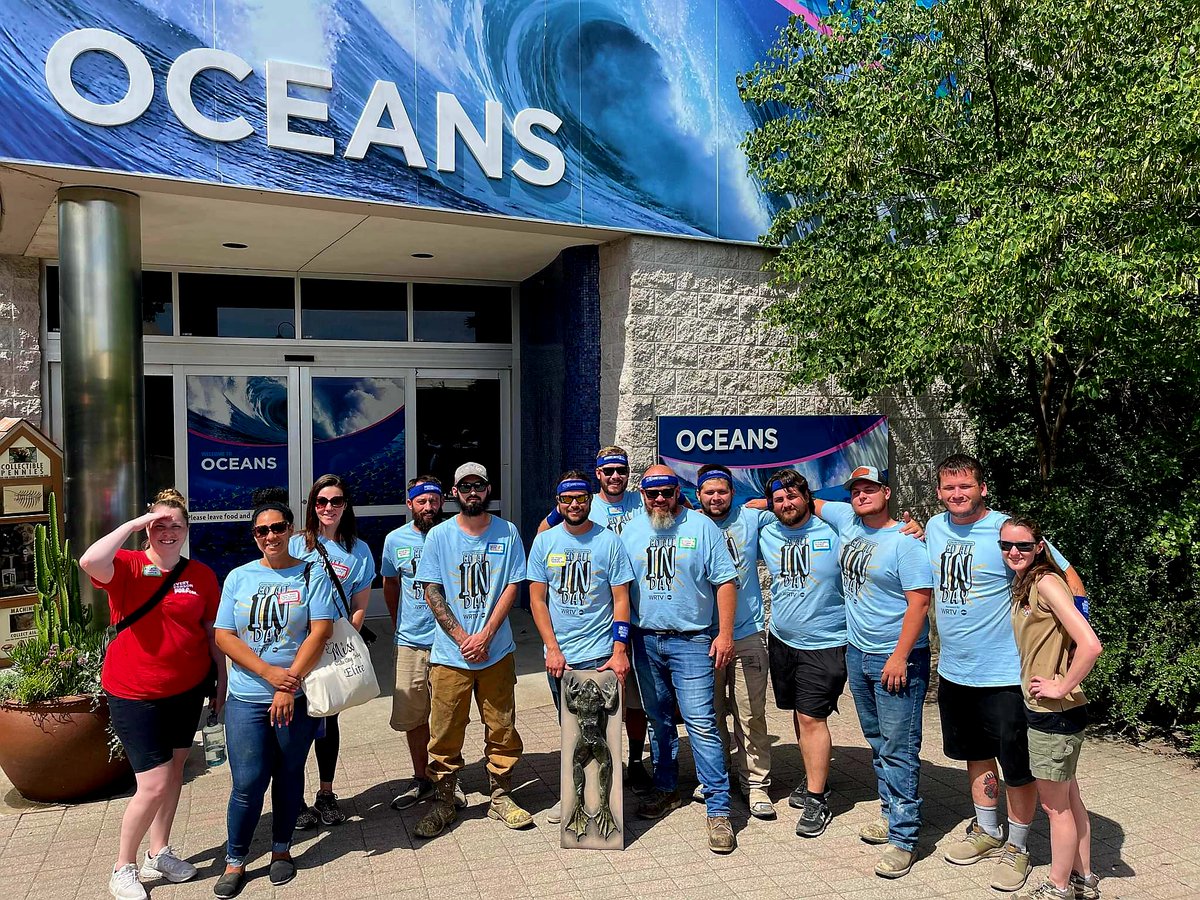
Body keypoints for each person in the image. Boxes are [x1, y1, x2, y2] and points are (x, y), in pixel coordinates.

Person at [928, 454, 1088, 893]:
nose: (957, 494)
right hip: (955, 670)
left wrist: (1067, 650)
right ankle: (987, 830)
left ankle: (1018, 846)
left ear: (982, 489)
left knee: (1017, 768)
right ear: (939, 492)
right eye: (948, 487)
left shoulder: (1007, 531)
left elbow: (1068, 576)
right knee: (976, 755)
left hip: (1005, 675)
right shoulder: (934, 528)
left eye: (965, 486)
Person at [81, 489, 224, 900]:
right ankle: (122, 867)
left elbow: (211, 634)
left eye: (175, 524)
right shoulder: (127, 565)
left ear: (187, 529)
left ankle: (158, 852)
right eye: (158, 525)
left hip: (187, 689)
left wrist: (221, 683)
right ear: (146, 529)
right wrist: (134, 524)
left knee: (174, 772)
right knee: (154, 783)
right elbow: (89, 561)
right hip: (135, 693)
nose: (167, 531)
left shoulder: (201, 575)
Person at [212, 488, 337, 898]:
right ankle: (235, 859)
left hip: (295, 698)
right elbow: (224, 636)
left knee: (287, 774)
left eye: (278, 528)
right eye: (262, 530)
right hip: (247, 698)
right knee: (247, 782)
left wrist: (289, 683)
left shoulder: (311, 573)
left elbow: (320, 631)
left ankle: (281, 849)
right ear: (254, 535)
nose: (270, 536)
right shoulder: (239, 577)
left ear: (290, 530)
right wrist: (268, 674)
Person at [813, 466, 933, 879]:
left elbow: (919, 604)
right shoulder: (848, 521)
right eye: (856, 491)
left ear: (887, 492)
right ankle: (889, 812)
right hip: (858, 651)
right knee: (878, 741)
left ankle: (904, 837)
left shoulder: (906, 542)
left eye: (870, 489)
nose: (862, 496)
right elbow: (807, 501)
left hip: (895, 657)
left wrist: (899, 656)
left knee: (899, 747)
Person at [620, 464, 739, 854]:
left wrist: (724, 634)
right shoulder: (630, 531)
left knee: (701, 722)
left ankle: (718, 809)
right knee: (658, 721)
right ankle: (666, 788)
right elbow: (618, 588)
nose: (660, 499)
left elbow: (725, 582)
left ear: (677, 492)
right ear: (642, 495)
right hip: (645, 640)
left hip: (692, 641)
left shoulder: (702, 528)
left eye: (666, 492)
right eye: (652, 493)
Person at [412, 462, 532, 838]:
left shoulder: (507, 532)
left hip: (496, 652)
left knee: (502, 727)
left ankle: (501, 797)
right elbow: (432, 590)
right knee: (445, 731)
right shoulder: (440, 536)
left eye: (478, 485)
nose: (472, 492)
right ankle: (445, 801)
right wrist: (463, 637)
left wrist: (486, 635)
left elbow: (512, 586)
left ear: (488, 488)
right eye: (465, 487)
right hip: (451, 656)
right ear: (455, 492)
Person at [538, 446, 652, 793]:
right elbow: (545, 541)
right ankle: (582, 793)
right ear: (598, 474)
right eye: (608, 470)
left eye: (621, 470)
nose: (616, 476)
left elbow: (680, 510)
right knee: (580, 718)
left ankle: (634, 764)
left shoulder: (641, 501)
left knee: (633, 703)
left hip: (634, 618)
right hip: (592, 625)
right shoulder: (572, 515)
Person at [1001, 517, 1103, 900]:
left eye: (1023, 546)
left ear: (1040, 547)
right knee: (1070, 798)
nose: (1014, 552)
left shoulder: (1044, 582)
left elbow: (1090, 644)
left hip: (1054, 712)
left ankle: (1058, 887)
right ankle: (1084, 879)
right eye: (1007, 545)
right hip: (1052, 710)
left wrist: (1061, 684)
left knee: (1055, 808)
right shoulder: (1027, 582)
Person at [528, 471, 634, 824]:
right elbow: (537, 600)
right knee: (570, 729)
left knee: (603, 733)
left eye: (581, 498)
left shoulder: (609, 542)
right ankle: (572, 798)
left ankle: (608, 801)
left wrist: (619, 650)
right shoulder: (545, 542)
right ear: (558, 503)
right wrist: (552, 648)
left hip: (601, 653)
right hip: (561, 656)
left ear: (590, 500)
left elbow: (621, 599)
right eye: (567, 499)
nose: (574, 505)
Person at [756, 469, 847, 839]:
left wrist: (912, 528)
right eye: (778, 499)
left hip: (826, 641)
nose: (786, 504)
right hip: (782, 639)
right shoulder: (767, 531)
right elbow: (740, 512)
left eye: (793, 496)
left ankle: (817, 798)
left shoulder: (834, 530)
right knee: (799, 713)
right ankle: (814, 777)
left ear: (808, 497)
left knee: (811, 717)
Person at [287, 475, 376, 830]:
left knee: (328, 721)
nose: (328, 508)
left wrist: (343, 641)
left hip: (332, 651)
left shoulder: (359, 551)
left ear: (345, 505)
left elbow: (359, 604)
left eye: (336, 501)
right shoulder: (296, 545)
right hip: (296, 648)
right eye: (321, 501)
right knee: (296, 727)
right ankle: (293, 799)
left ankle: (326, 793)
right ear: (312, 505)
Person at [692, 463, 775, 821]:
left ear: (732, 493)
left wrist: (768, 502)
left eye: (722, 491)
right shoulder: (691, 525)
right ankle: (717, 775)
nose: (716, 497)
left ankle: (755, 783)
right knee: (709, 713)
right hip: (703, 637)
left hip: (747, 633)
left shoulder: (752, 519)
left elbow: (800, 512)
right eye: (709, 492)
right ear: (698, 495)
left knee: (750, 712)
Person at [381, 476, 465, 811]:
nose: (428, 507)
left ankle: (448, 779)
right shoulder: (395, 540)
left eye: (433, 500)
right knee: (414, 715)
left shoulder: (455, 534)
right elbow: (390, 584)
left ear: (442, 501)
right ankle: (422, 778)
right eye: (421, 501)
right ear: (410, 504)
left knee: (448, 715)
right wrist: (398, 624)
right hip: (411, 642)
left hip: (448, 642)